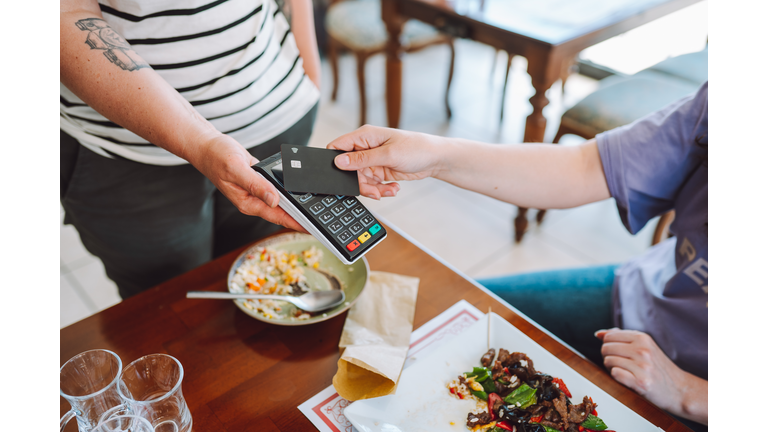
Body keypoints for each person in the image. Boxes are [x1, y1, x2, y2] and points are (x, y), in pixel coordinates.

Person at [326, 83, 708, 428]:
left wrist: (687, 392)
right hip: (643, 292)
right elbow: (585, 167)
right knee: (442, 310)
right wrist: (435, 156)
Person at [60, 0, 320, 299]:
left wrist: (308, 72)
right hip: (125, 154)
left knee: (263, 279)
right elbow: (64, 14)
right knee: (169, 302)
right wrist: (203, 142)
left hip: (276, 118)